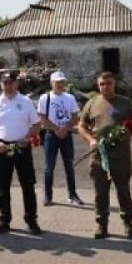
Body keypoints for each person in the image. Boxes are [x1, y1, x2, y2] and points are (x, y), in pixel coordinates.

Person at [78, 71, 132, 240]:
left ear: (115, 84)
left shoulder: (126, 103)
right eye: (102, 84)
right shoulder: (91, 103)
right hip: (99, 156)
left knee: (123, 191)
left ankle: (128, 224)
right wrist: (91, 140)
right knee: (100, 193)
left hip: (121, 156)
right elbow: (81, 126)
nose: (105, 87)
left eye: (109, 83)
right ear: (98, 86)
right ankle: (102, 224)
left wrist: (124, 132)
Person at [0, 70, 42, 235]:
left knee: (28, 186)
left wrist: (29, 138)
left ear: (17, 84)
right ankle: (4, 220)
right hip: (2, 148)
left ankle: (31, 221)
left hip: (22, 147)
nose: (8, 86)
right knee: (3, 186)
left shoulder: (26, 102)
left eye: (11, 82)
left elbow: (36, 125)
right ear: (1, 84)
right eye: (5, 83)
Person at [37, 70, 84, 206]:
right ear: (52, 83)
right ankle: (48, 196)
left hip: (67, 135)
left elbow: (75, 116)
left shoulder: (69, 98)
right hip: (51, 135)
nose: (60, 84)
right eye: (57, 82)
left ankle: (72, 194)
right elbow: (42, 118)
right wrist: (56, 129)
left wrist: (66, 128)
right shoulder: (45, 98)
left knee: (69, 165)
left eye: (62, 82)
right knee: (48, 167)